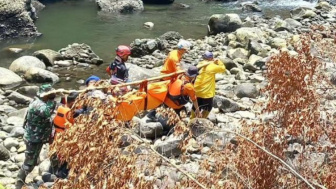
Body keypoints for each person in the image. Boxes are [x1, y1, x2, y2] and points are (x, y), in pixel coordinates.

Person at [16, 84, 56, 189]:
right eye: (50, 94)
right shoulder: (39, 105)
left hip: (35, 137)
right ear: (45, 95)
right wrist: (52, 101)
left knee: (33, 160)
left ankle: (21, 181)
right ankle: (19, 183)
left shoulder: (38, 101)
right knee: (30, 162)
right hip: (34, 138)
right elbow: (47, 113)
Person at [191, 51, 226, 119]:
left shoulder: (200, 64)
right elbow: (223, 68)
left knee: (196, 106)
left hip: (197, 90)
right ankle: (202, 120)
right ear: (211, 58)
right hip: (206, 92)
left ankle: (192, 119)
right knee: (208, 107)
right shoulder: (212, 66)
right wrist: (218, 61)